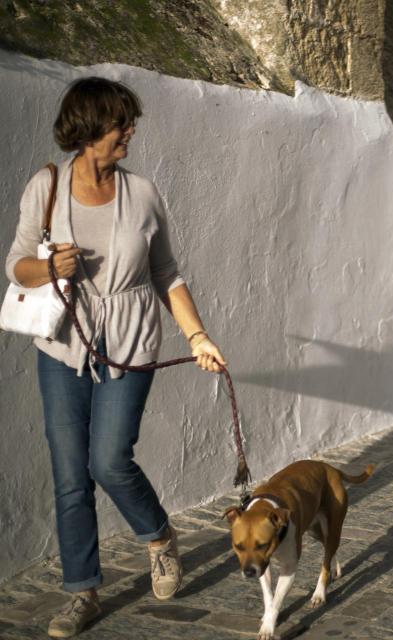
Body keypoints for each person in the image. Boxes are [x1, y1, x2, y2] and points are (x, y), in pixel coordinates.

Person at [4, 77, 227, 638]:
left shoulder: (143, 193)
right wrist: (49, 268)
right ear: (88, 128)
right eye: (120, 123)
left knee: (108, 460)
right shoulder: (46, 186)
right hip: (63, 345)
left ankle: (158, 535)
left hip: (131, 342)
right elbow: (16, 266)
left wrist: (197, 336)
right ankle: (82, 593)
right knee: (69, 475)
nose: (130, 131)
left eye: (130, 121)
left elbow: (166, 273)